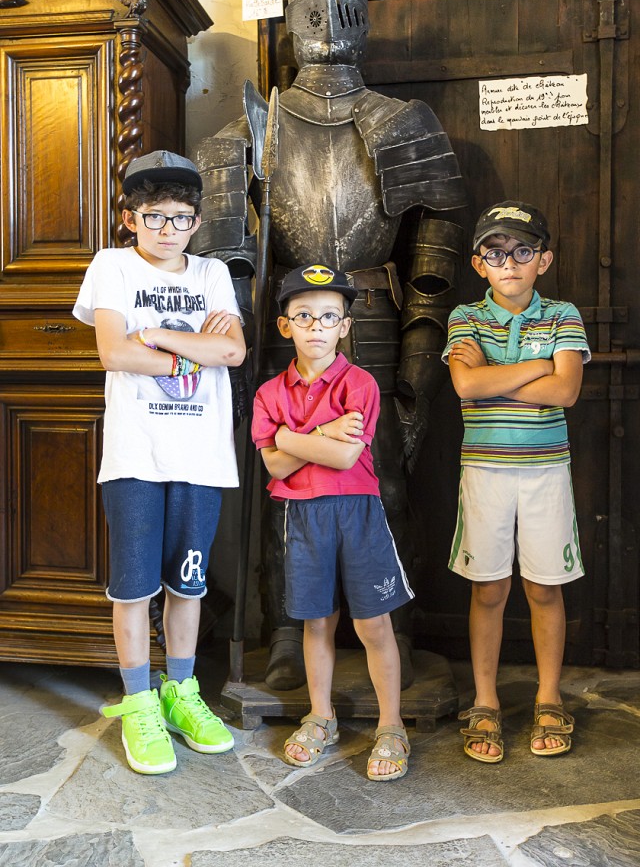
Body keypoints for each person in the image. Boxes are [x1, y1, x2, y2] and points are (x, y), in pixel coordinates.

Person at [191, 0, 466, 691]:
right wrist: (248, 358)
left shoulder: (403, 122)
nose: (329, 16)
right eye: (316, 6)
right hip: (289, 326)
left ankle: (395, 627)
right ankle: (287, 629)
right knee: (288, 478)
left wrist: (414, 378)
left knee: (385, 483)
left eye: (344, 6)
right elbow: (229, 267)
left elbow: (433, 269)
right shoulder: (252, 128)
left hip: (373, 317)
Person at [73, 150, 246, 775]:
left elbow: (232, 349)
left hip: (199, 456)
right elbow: (114, 354)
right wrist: (191, 352)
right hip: (135, 454)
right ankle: (140, 701)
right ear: (130, 217)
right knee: (134, 586)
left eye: (180, 218)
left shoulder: (213, 274)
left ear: (196, 223)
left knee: (187, 582)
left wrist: (161, 338)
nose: (167, 230)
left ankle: (181, 691)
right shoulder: (111, 266)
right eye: (154, 217)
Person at [252, 263, 414, 780]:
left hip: (357, 511)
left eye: (329, 316)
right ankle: (321, 716)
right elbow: (274, 464)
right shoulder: (268, 394)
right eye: (304, 316)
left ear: (345, 325)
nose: (316, 326)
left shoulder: (359, 383)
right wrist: (321, 429)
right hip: (302, 515)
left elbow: (344, 459)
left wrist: (289, 438)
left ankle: (392, 725)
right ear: (286, 326)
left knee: (372, 623)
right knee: (316, 621)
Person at [443, 201, 590, 763]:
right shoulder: (464, 317)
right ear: (480, 264)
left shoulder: (563, 315)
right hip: (484, 472)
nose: (509, 264)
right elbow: (463, 387)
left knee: (545, 588)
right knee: (489, 589)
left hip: (546, 472)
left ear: (543, 260)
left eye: (522, 252)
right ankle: (485, 701)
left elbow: (566, 392)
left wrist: (493, 378)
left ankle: (548, 697)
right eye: (495, 254)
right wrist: (538, 367)